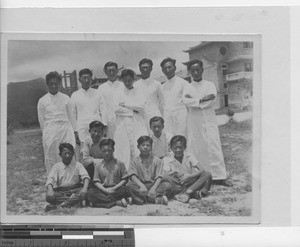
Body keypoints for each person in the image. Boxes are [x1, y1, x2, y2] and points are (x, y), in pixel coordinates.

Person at [183, 59, 228, 185]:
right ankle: (202, 175)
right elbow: (186, 101)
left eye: (198, 70)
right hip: (195, 120)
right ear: (190, 72)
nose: (196, 72)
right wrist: (202, 99)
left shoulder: (209, 84)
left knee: (214, 145)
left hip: (209, 119)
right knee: (198, 146)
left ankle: (220, 176)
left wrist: (196, 102)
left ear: (202, 70)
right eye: (193, 70)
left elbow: (212, 99)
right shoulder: (188, 86)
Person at [37, 71, 76, 175]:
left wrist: (74, 132)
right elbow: (42, 120)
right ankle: (53, 181)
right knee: (51, 155)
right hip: (50, 130)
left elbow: (72, 117)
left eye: (56, 83)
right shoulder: (42, 101)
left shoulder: (66, 98)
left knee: (67, 153)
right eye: (51, 83)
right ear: (47, 84)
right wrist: (46, 134)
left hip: (65, 129)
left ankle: (70, 179)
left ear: (59, 83)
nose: (54, 85)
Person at [114, 69, 148, 169]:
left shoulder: (139, 91)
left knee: (138, 147)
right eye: (125, 80)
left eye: (130, 80)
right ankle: (126, 174)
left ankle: (141, 173)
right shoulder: (118, 92)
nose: (127, 82)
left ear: (134, 79)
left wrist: (125, 104)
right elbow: (116, 109)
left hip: (137, 122)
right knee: (124, 149)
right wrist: (132, 111)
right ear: (122, 80)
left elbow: (141, 106)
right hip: (123, 123)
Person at [162, 135, 212, 203]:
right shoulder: (167, 158)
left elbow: (202, 169)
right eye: (175, 148)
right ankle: (193, 193)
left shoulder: (189, 156)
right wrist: (175, 172)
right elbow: (165, 174)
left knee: (207, 174)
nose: (178, 150)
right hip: (178, 184)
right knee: (165, 178)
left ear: (185, 147)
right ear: (171, 148)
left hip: (191, 182)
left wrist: (189, 176)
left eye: (180, 147)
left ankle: (188, 192)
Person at [71, 68, 108, 159]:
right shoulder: (75, 95)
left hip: (97, 128)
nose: (87, 80)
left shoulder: (98, 93)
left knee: (98, 152)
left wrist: (105, 127)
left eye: (89, 78)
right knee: (83, 154)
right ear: (80, 80)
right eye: (84, 78)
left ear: (91, 79)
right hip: (82, 128)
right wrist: (75, 131)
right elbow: (72, 114)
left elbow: (103, 110)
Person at [126, 136, 172, 205]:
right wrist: (141, 186)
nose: (145, 147)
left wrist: (153, 189)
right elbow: (132, 175)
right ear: (138, 146)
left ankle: (139, 199)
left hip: (153, 185)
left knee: (168, 186)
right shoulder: (134, 161)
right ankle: (155, 199)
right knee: (129, 185)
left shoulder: (157, 160)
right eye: (143, 145)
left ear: (151, 147)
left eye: (148, 145)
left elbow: (159, 176)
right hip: (140, 186)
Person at [45, 143, 90, 212]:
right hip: (61, 191)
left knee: (86, 192)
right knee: (48, 196)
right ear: (60, 154)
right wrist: (50, 190)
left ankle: (61, 205)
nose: (67, 156)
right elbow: (50, 180)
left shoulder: (78, 165)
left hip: (75, 189)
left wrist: (85, 188)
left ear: (73, 153)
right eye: (65, 153)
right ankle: (72, 201)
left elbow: (85, 177)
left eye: (69, 153)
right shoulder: (56, 166)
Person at [87, 139, 130, 208]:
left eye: (109, 150)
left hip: (116, 189)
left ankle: (98, 203)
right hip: (103, 190)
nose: (106, 153)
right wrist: (105, 190)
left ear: (113, 150)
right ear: (100, 151)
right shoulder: (98, 165)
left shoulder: (120, 163)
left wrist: (114, 188)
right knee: (91, 193)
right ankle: (116, 202)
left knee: (126, 190)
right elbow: (96, 181)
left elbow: (125, 179)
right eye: (104, 151)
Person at [160, 57, 189, 136]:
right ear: (162, 71)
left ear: (175, 68)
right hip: (167, 117)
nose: (168, 70)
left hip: (181, 115)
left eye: (169, 67)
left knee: (182, 137)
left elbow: (188, 102)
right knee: (169, 137)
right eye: (165, 68)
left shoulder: (183, 83)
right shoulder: (162, 87)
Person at [134, 58, 164, 133]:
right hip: (140, 117)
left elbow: (161, 103)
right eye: (143, 67)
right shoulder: (135, 85)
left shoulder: (157, 84)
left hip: (155, 115)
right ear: (140, 69)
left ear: (151, 69)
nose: (145, 70)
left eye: (147, 67)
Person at [98, 62, 124, 139]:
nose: (111, 73)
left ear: (117, 71)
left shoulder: (123, 86)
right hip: (108, 123)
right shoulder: (101, 88)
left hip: (122, 121)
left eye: (113, 70)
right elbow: (100, 107)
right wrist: (104, 123)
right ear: (105, 72)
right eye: (109, 71)